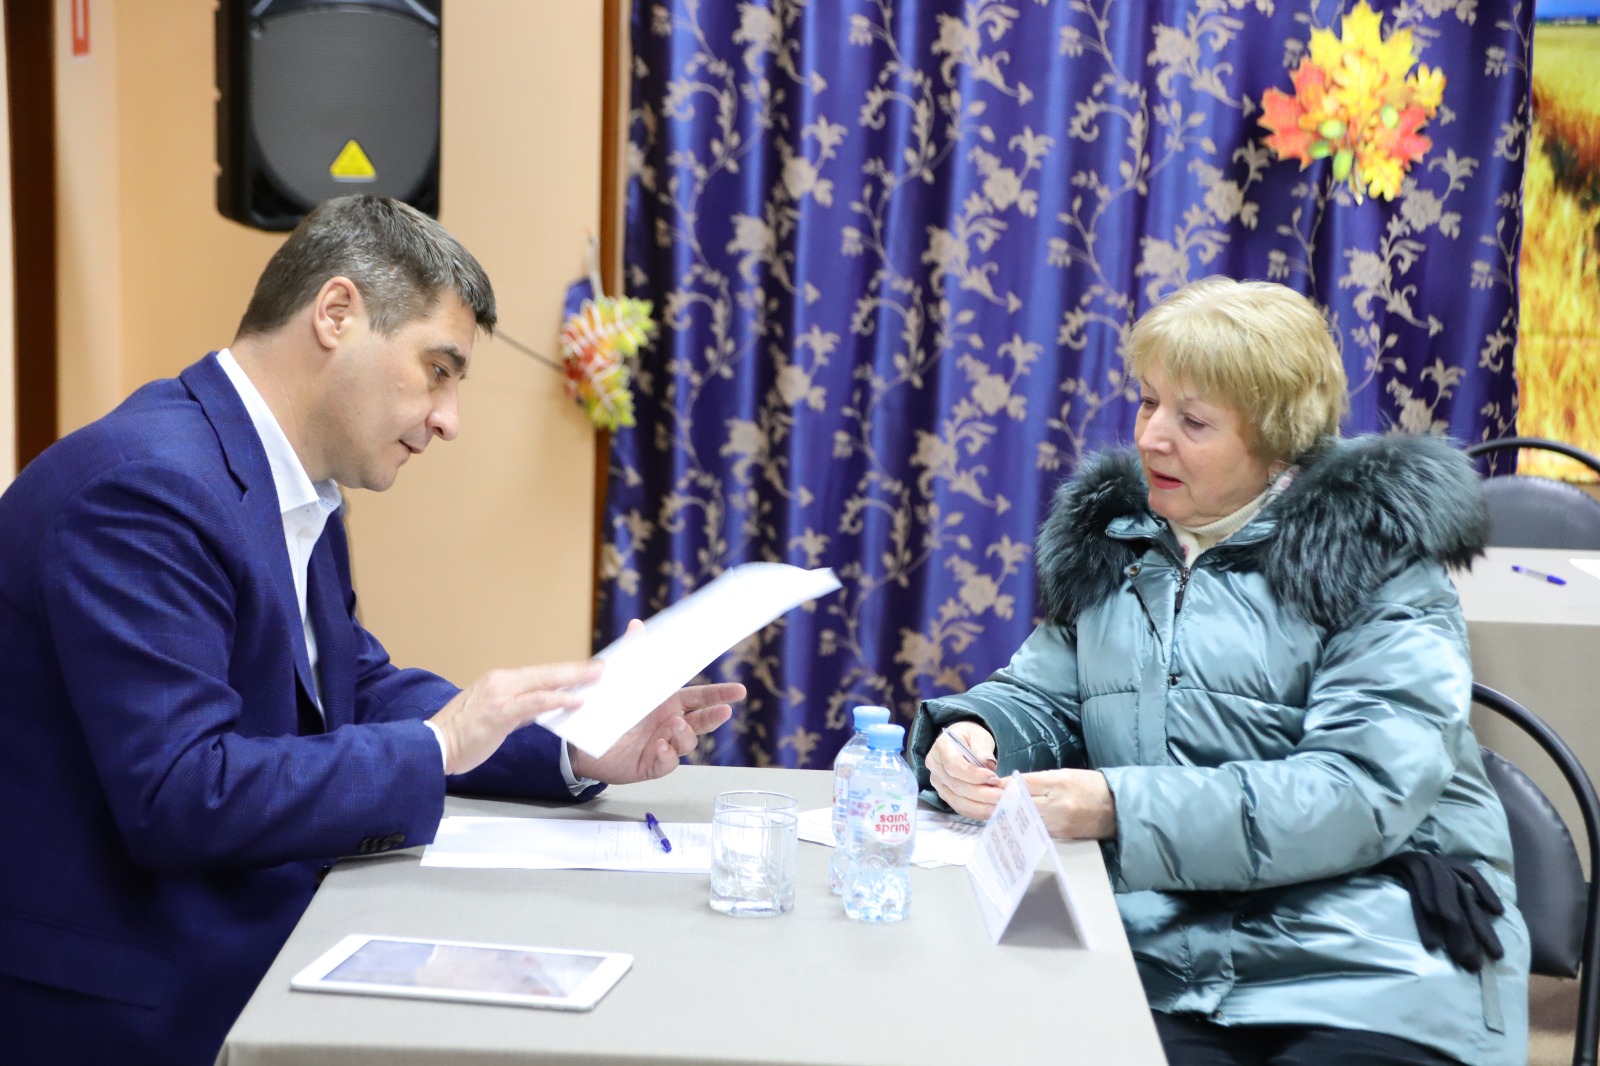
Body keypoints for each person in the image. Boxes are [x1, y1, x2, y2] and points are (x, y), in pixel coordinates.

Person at [0, 195, 743, 1066]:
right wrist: (438, 746)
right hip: (136, 999)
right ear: (337, 313)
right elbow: (182, 793)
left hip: (252, 936)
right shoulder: (144, 491)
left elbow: (357, 688)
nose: (450, 418)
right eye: (439, 369)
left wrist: (573, 743)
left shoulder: (293, 484)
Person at [913, 276, 1529, 1065]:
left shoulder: (1376, 559)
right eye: (1147, 403)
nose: (1150, 438)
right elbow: (1042, 694)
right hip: (1160, 952)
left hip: (1368, 955)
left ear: (1275, 441)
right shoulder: (1119, 543)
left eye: (1193, 420)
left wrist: (1118, 806)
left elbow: (1361, 791)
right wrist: (977, 732)